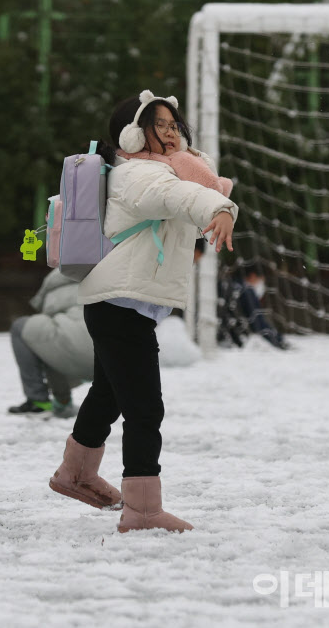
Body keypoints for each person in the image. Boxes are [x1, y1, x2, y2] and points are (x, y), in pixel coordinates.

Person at [48, 89, 238, 533]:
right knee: (145, 408)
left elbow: (192, 186)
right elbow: (183, 198)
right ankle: (143, 509)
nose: (171, 133)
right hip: (119, 305)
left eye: (174, 125)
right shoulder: (141, 176)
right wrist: (222, 207)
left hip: (118, 302)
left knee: (109, 393)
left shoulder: (153, 170)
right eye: (160, 125)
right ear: (133, 134)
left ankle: (74, 474)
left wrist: (197, 171)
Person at [8, 269, 94, 418]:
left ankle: (42, 401)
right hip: (113, 362)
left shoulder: (55, 281)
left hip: (72, 359)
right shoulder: (109, 274)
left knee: (36, 333)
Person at [216, 259, 289, 350]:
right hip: (232, 342)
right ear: (253, 276)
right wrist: (279, 341)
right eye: (261, 280)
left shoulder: (227, 285)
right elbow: (258, 324)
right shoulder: (246, 291)